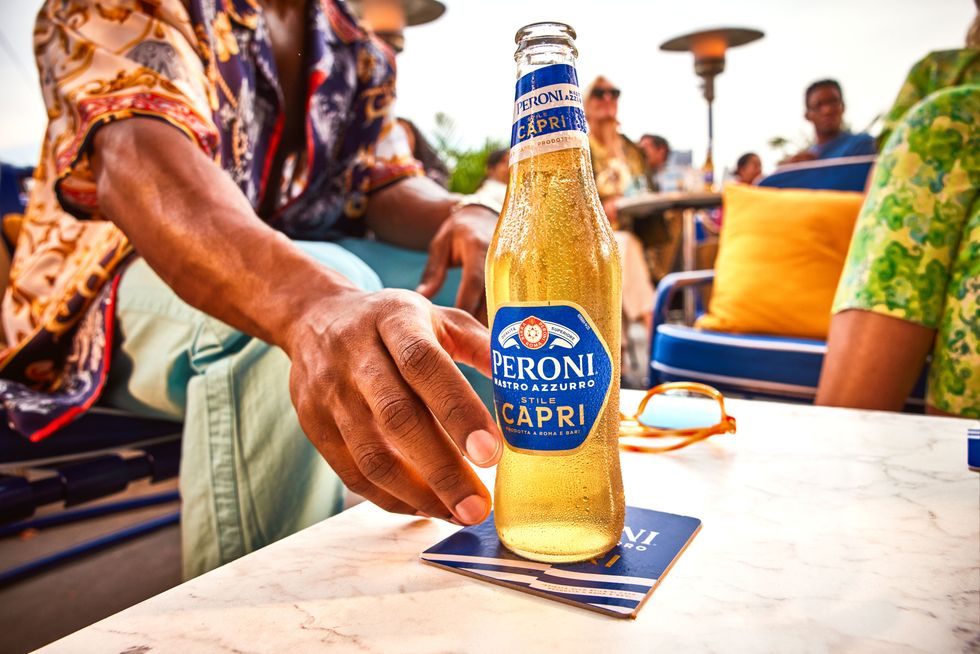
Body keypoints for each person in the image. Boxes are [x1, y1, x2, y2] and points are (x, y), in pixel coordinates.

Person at [1, 0, 503, 578]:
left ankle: (521, 530)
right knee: (294, 316)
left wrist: (467, 210)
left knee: (478, 278)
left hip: (302, 256)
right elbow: (137, 160)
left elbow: (382, 182)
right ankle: (267, 611)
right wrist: (311, 306)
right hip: (102, 291)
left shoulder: (356, 44)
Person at [816, 15, 979, 418]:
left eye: (831, 102)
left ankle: (843, 437)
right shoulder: (938, 71)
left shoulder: (857, 144)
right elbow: (890, 180)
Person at [582, 76, 656, 357]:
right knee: (618, 249)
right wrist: (603, 208)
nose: (608, 99)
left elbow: (647, 189)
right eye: (599, 93)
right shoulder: (578, 147)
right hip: (588, 239)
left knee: (622, 248)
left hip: (635, 232)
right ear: (586, 103)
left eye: (613, 93)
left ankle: (617, 352)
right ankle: (651, 332)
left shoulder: (630, 150)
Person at [780, 79, 876, 164]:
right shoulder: (803, 161)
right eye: (818, 105)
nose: (827, 110)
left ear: (843, 107)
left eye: (833, 102)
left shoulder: (863, 144)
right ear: (807, 115)